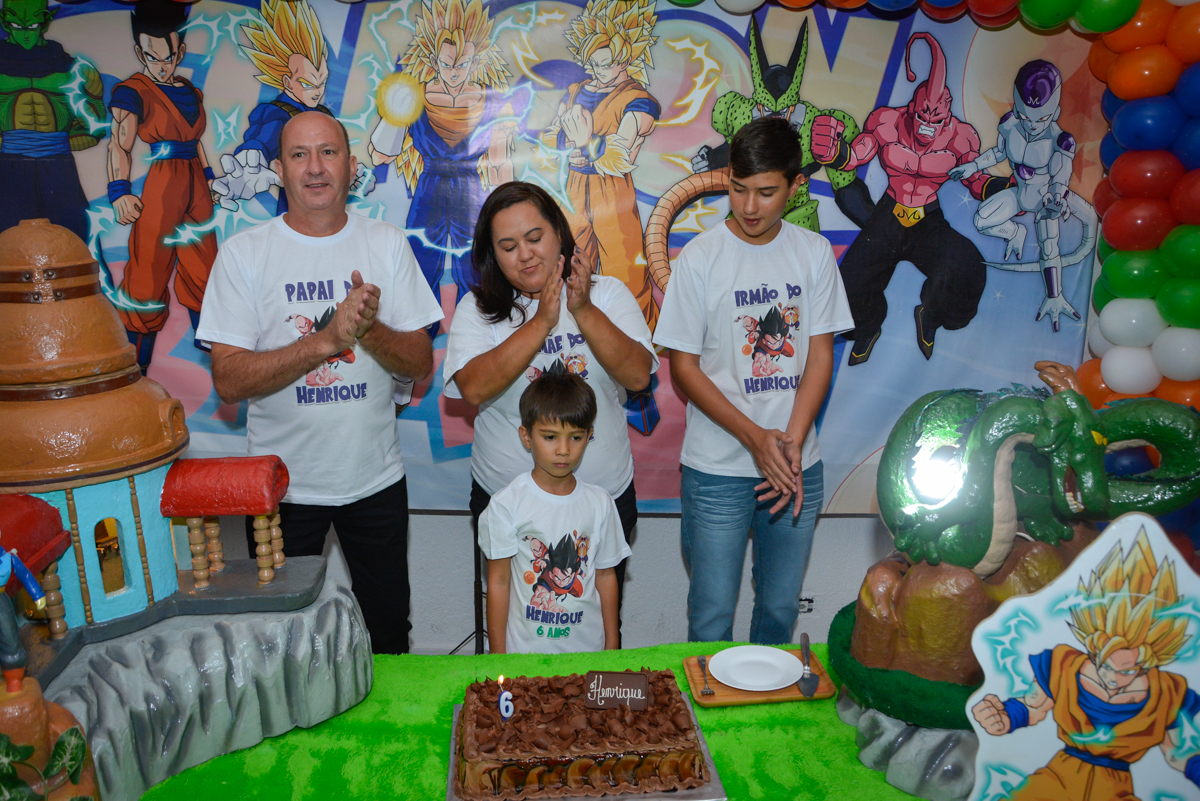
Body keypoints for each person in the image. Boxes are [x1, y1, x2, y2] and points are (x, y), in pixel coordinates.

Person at [196, 111, 442, 654]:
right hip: (279, 489)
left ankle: (390, 736)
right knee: (277, 638)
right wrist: (326, 341)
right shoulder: (244, 254)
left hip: (375, 481)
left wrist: (368, 329)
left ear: (350, 165)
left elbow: (420, 362)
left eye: (328, 152)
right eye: (300, 155)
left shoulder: (386, 243)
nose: (315, 168)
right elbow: (230, 380)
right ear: (279, 168)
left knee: (388, 632)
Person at [653, 117, 853, 644]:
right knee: (712, 613)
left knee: (780, 608)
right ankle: (708, 721)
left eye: (766, 192)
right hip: (717, 470)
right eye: (738, 189)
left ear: (795, 186)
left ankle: (768, 717)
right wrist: (753, 439)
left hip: (795, 466)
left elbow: (819, 357)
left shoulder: (812, 254)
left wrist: (787, 443)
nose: (748, 207)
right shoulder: (699, 258)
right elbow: (684, 367)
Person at [443, 181, 655, 646]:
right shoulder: (478, 311)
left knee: (595, 625)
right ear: (492, 256)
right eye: (508, 246)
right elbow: (473, 387)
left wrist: (581, 310)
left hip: (602, 500)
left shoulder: (609, 295)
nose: (525, 255)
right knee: (510, 627)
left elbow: (639, 375)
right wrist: (540, 321)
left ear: (560, 234)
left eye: (535, 238)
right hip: (507, 504)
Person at [971, 530, 1200, 798]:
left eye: (1127, 671)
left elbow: (1178, 753)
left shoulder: (1168, 692)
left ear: (1150, 661)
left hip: (1116, 791)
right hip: (1055, 781)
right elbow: (1031, 707)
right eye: (1104, 664)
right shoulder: (1062, 666)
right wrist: (1002, 717)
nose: (1112, 678)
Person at [479, 371, 630, 654]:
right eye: (550, 437)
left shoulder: (601, 503)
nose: (563, 450)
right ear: (526, 436)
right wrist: (498, 658)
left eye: (575, 437)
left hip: (588, 655)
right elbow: (498, 583)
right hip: (523, 659)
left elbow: (606, 577)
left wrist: (612, 646)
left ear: (589, 436)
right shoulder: (505, 504)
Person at [108, 0, 217, 372]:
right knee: (148, 270)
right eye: (153, 58)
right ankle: (134, 364)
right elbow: (119, 144)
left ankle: (217, 352)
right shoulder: (133, 90)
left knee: (205, 268)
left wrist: (212, 180)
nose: (161, 65)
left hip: (196, 183)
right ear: (140, 52)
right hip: (162, 182)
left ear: (179, 52)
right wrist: (120, 191)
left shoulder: (190, 91)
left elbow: (197, 141)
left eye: (168, 57)